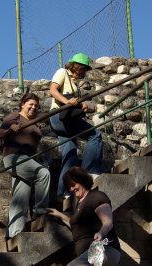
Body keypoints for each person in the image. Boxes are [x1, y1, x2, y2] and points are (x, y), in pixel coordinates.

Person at [49, 52, 103, 197]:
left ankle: (64, 193)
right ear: (76, 66)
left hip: (66, 119)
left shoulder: (74, 83)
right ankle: (89, 173)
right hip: (59, 117)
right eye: (82, 68)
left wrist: (83, 106)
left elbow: (73, 104)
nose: (83, 72)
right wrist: (67, 102)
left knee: (71, 156)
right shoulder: (62, 72)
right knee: (95, 135)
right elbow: (52, 90)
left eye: (85, 70)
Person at [0, 92, 50, 239]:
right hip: (14, 157)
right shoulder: (15, 117)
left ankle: (13, 235)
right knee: (43, 174)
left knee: (20, 198)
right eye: (30, 104)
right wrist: (9, 130)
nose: (33, 107)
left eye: (36, 105)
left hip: (26, 159)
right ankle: (40, 210)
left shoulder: (33, 121)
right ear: (22, 104)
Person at [47, 166, 120, 266]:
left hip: (104, 249)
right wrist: (59, 215)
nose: (71, 189)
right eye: (69, 187)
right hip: (87, 253)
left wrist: (101, 233)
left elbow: (108, 222)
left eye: (73, 185)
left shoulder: (96, 196)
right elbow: (75, 226)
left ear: (82, 180)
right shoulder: (79, 204)